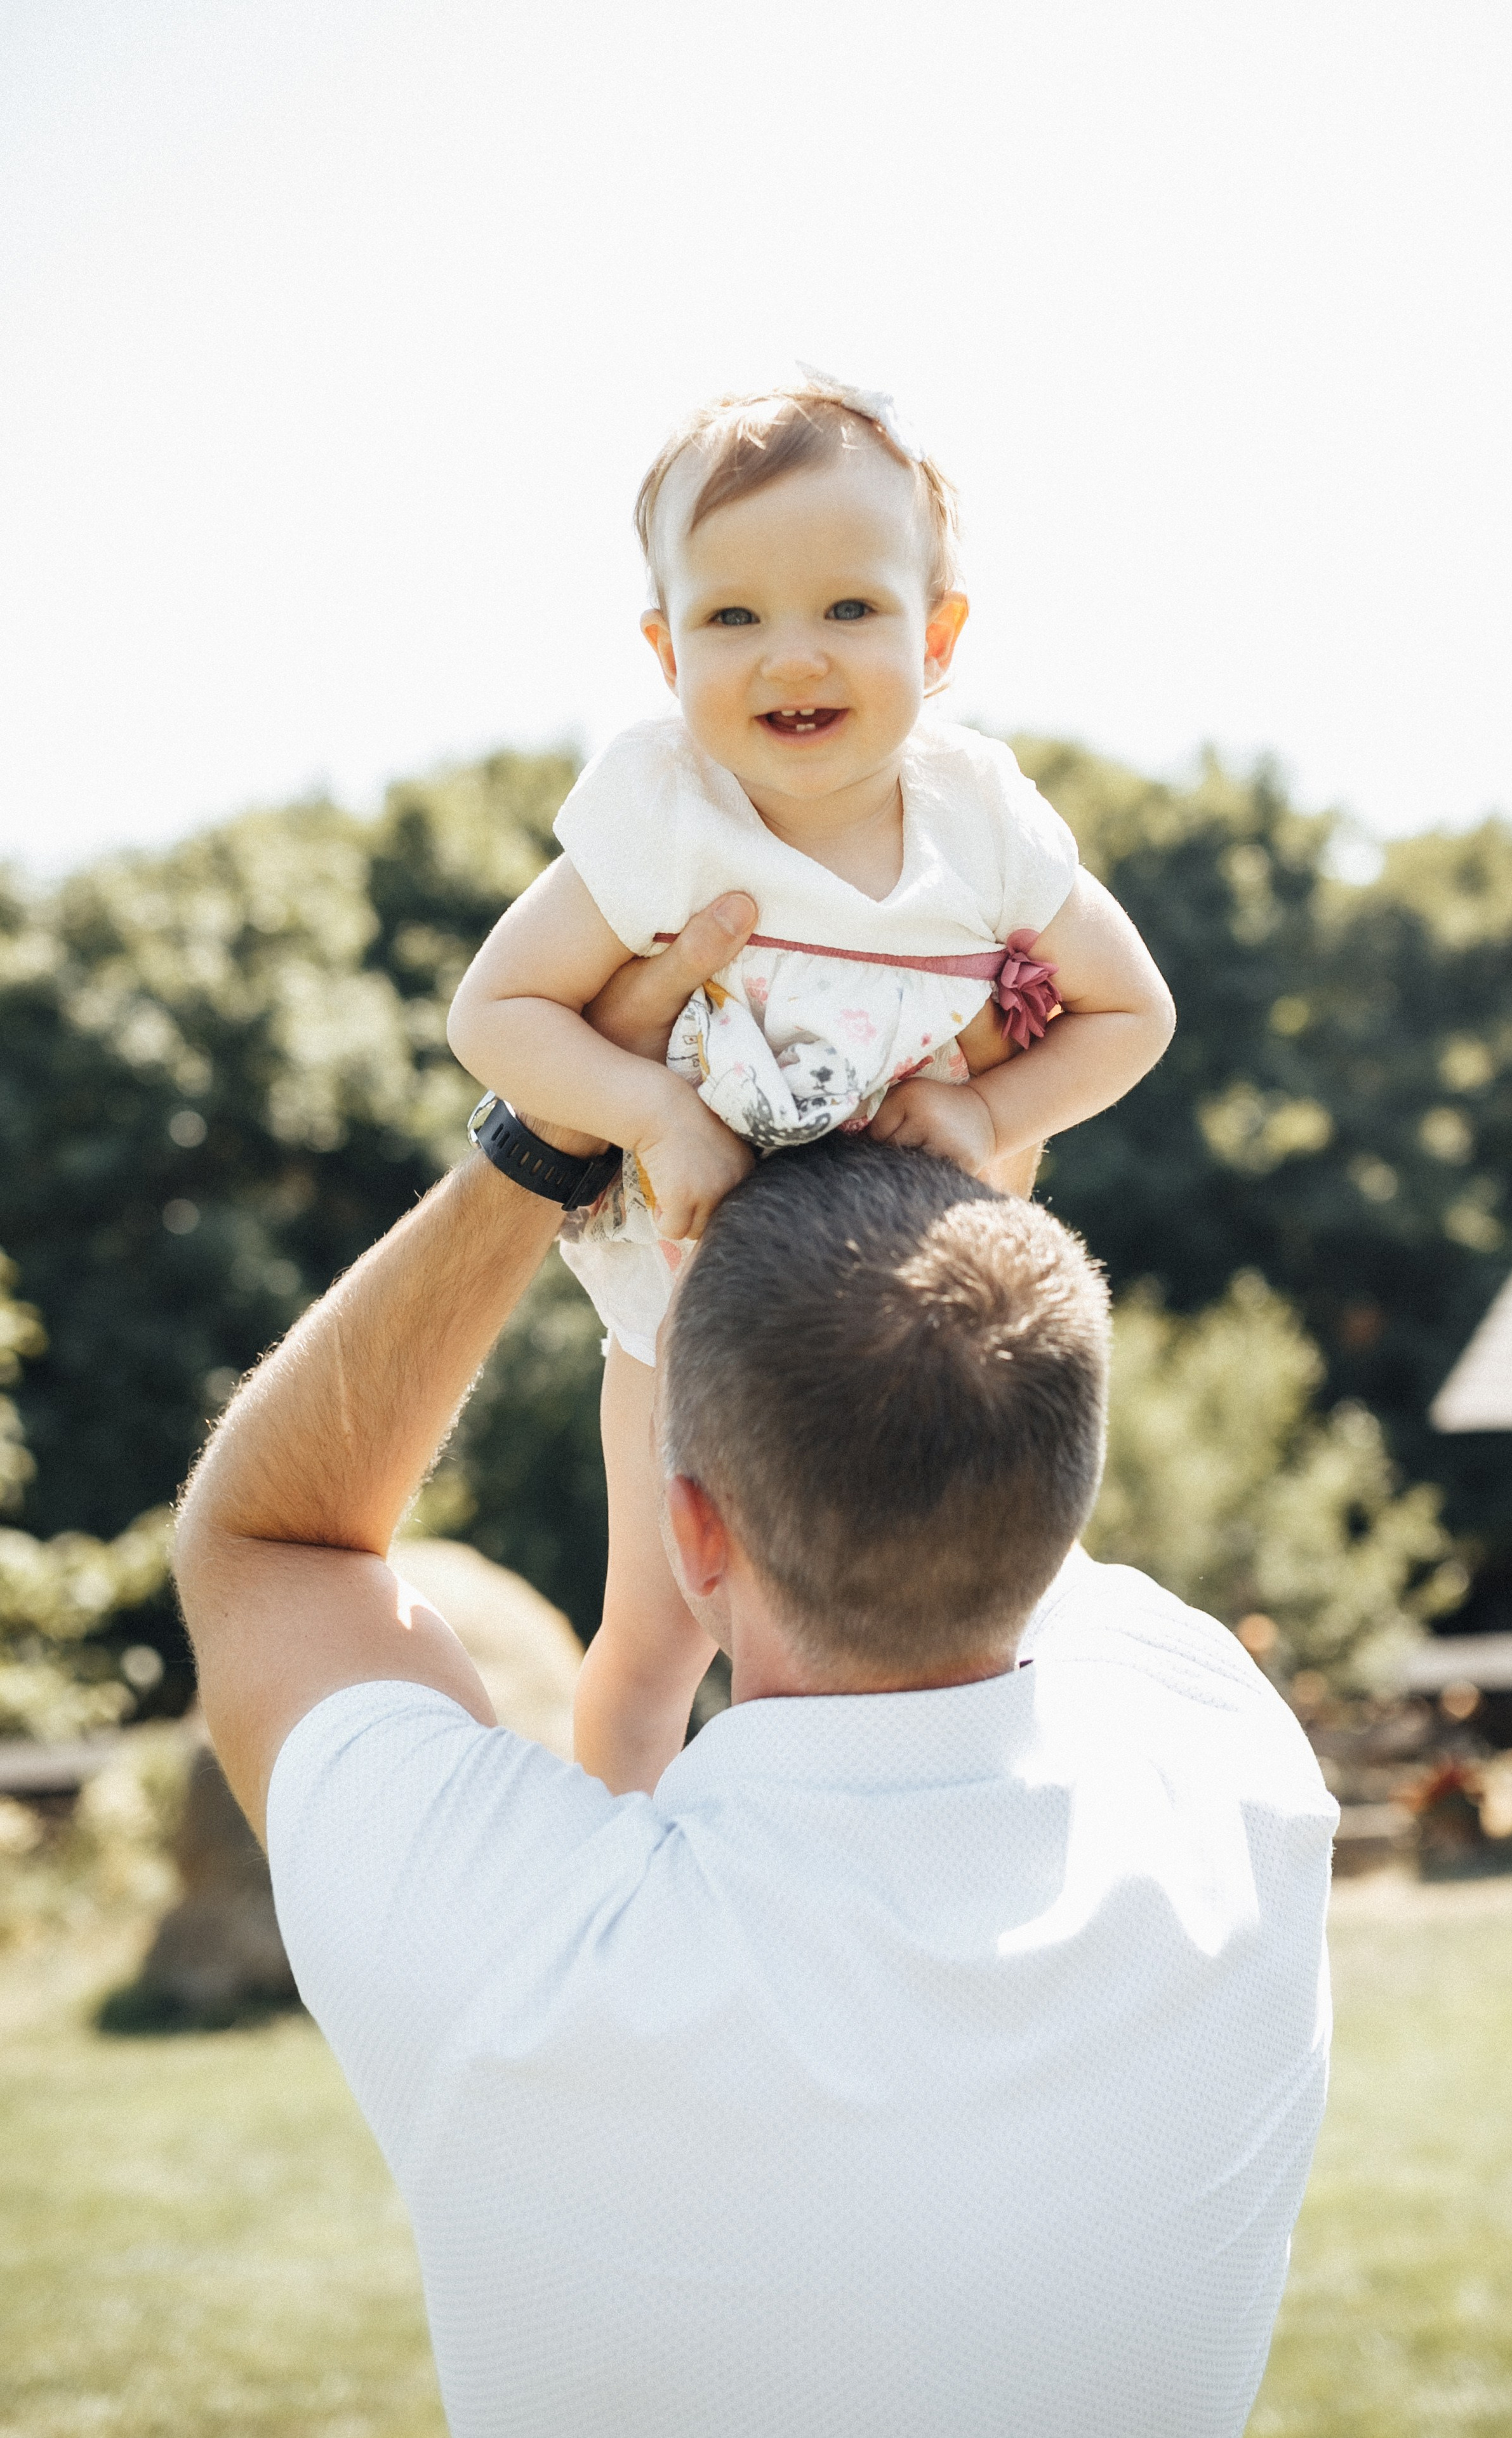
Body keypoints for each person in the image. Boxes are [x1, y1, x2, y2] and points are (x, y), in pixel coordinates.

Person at [175, 900, 1335, 2438]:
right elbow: (974, 1434)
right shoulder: (1234, 1785)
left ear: (695, 1537)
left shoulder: (519, 1966)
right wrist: (945, 1087)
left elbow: (268, 1548)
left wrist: (554, 1136)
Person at [446, 371, 1177, 1794]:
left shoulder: (978, 827)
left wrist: (983, 1112)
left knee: (957, 1597)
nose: (793, 657)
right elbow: (497, 1011)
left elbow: (1130, 1011)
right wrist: (656, 1110)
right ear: (664, 652)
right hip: (682, 1303)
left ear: (939, 636)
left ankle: (946, 1823)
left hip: (910, 1315)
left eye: (849, 609)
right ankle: (627, 1837)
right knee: (657, 1628)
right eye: (733, 617)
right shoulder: (667, 818)